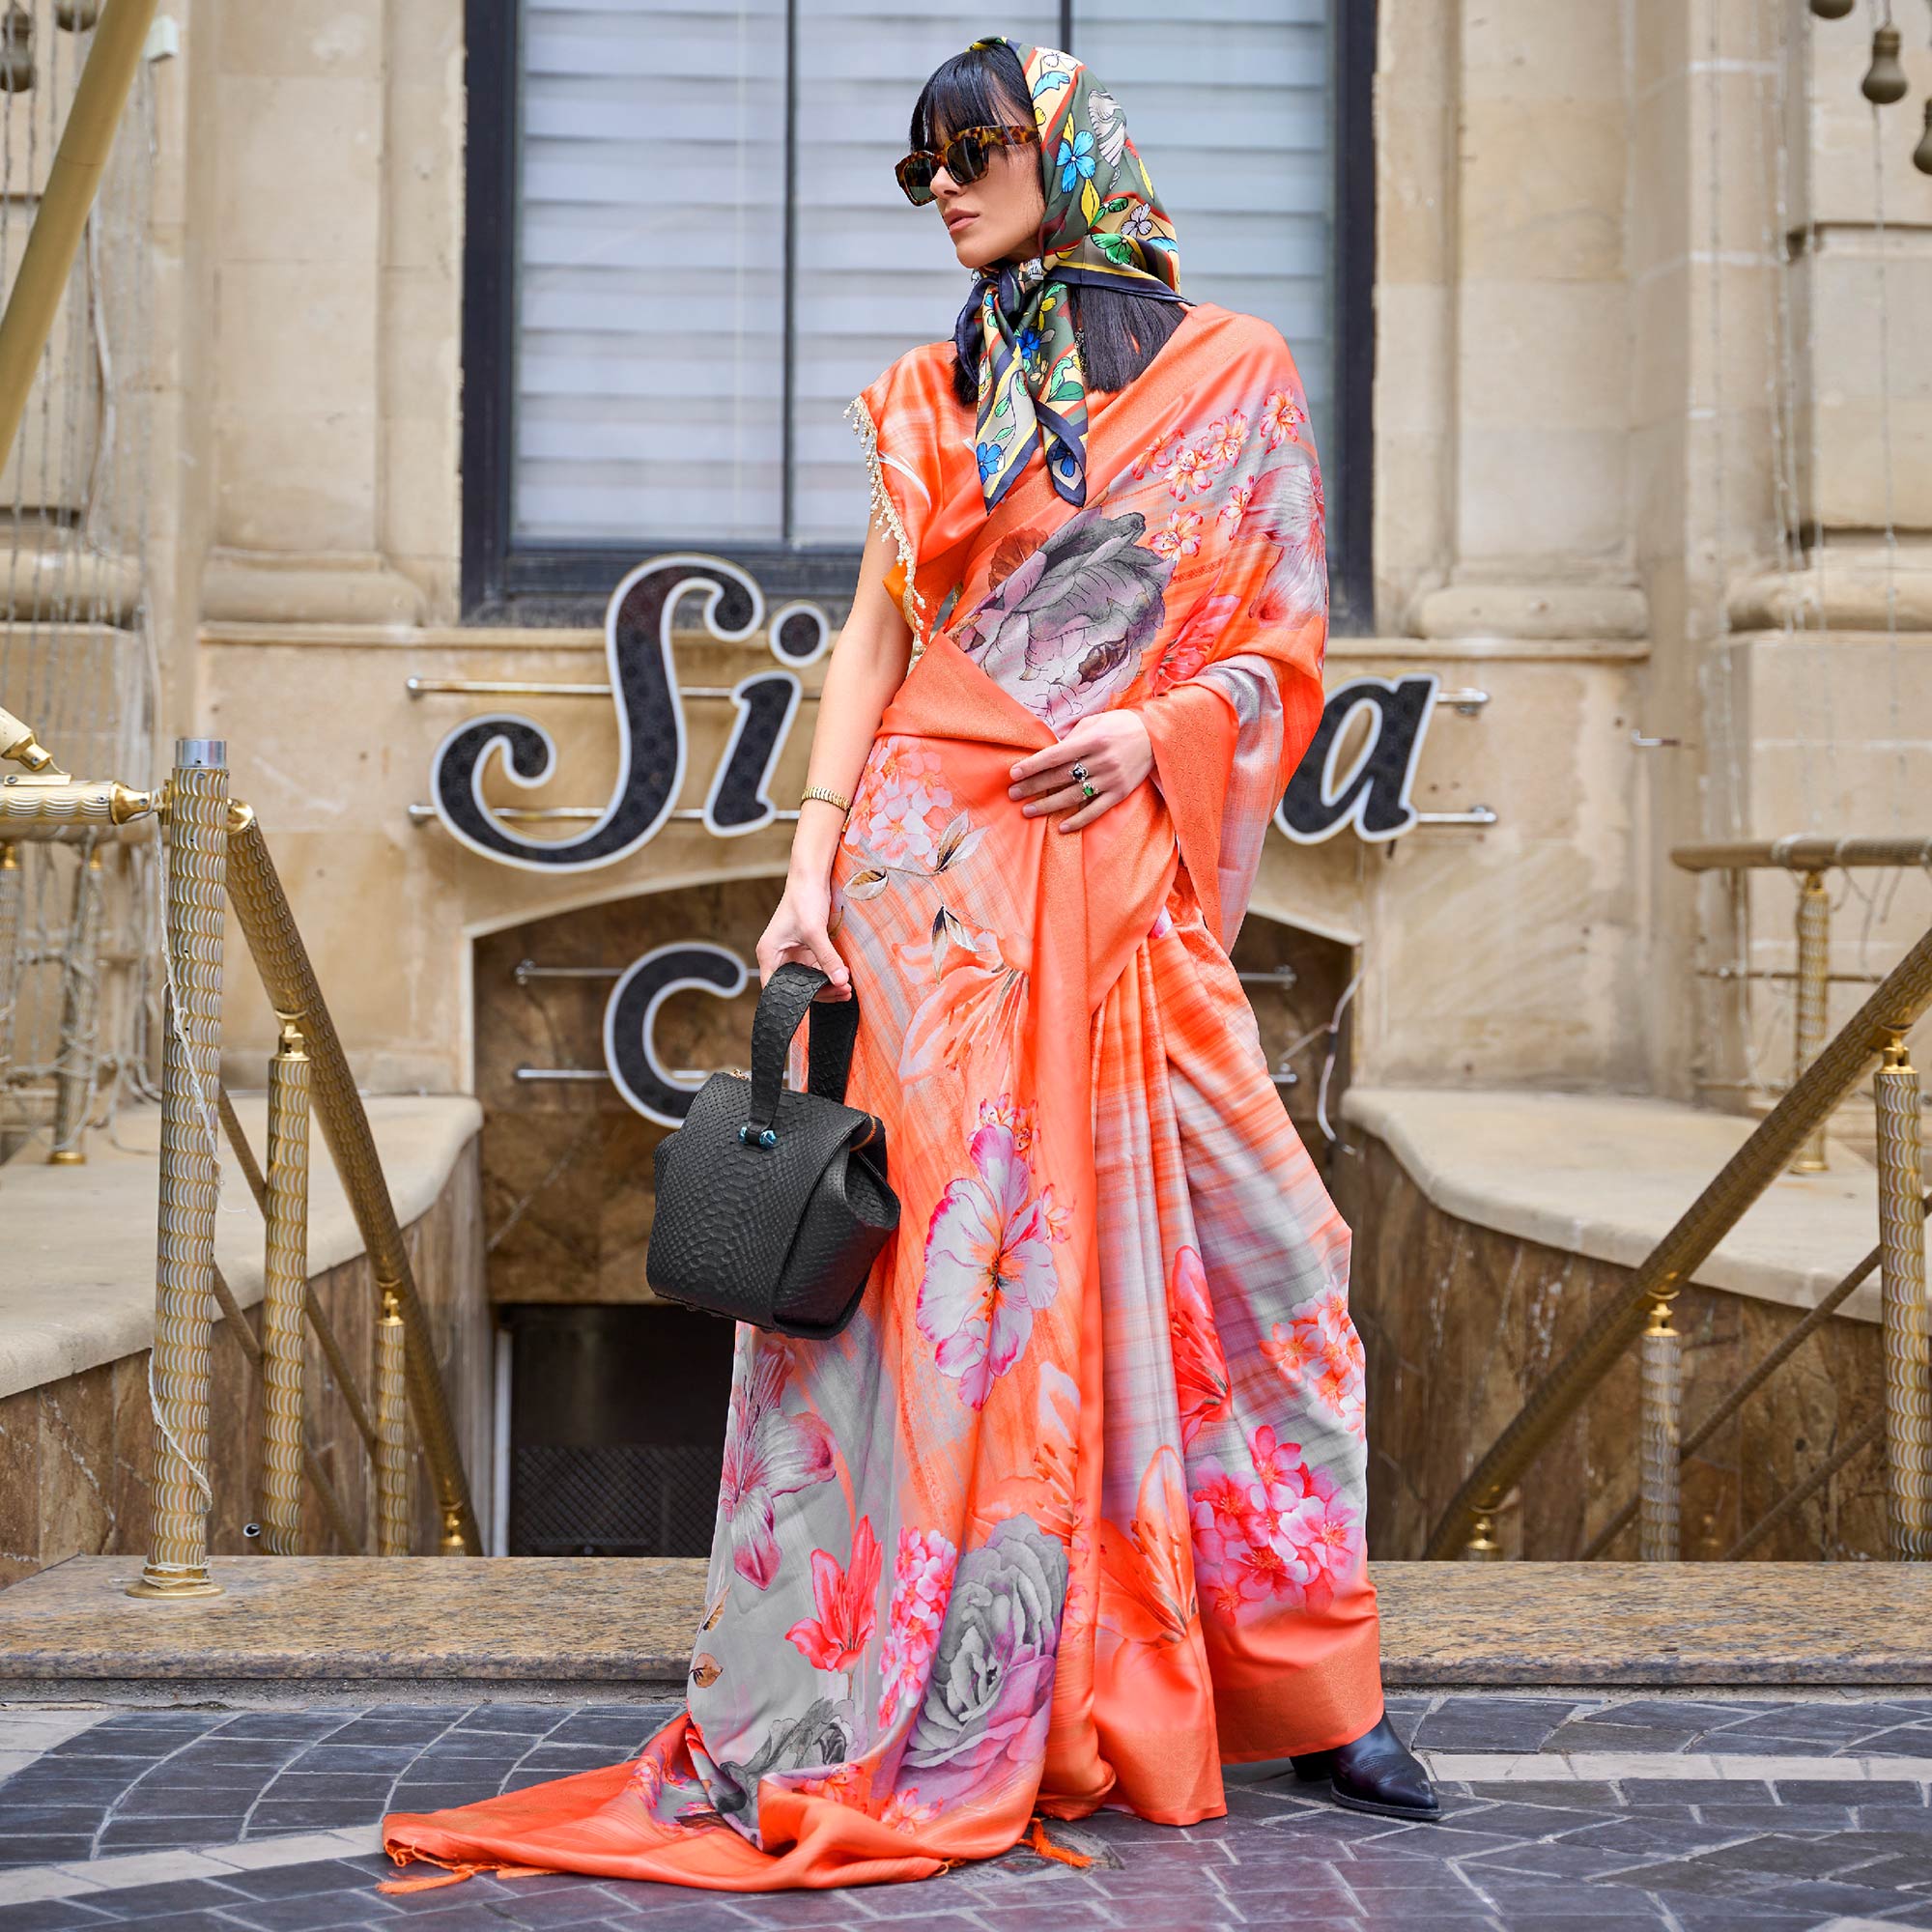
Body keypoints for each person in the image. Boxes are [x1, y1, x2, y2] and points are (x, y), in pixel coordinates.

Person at [381, 33, 1433, 1898]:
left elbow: (1278, 650)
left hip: (1119, 866)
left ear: (1072, 156)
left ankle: (1311, 1687)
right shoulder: (932, 394)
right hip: (932, 886)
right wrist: (800, 876)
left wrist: (1157, 731)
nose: (944, 186)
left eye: (977, 151)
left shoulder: (1236, 377)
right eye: (919, 165)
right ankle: (970, 1682)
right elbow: (871, 646)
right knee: (960, 1305)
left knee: (1282, 1252)